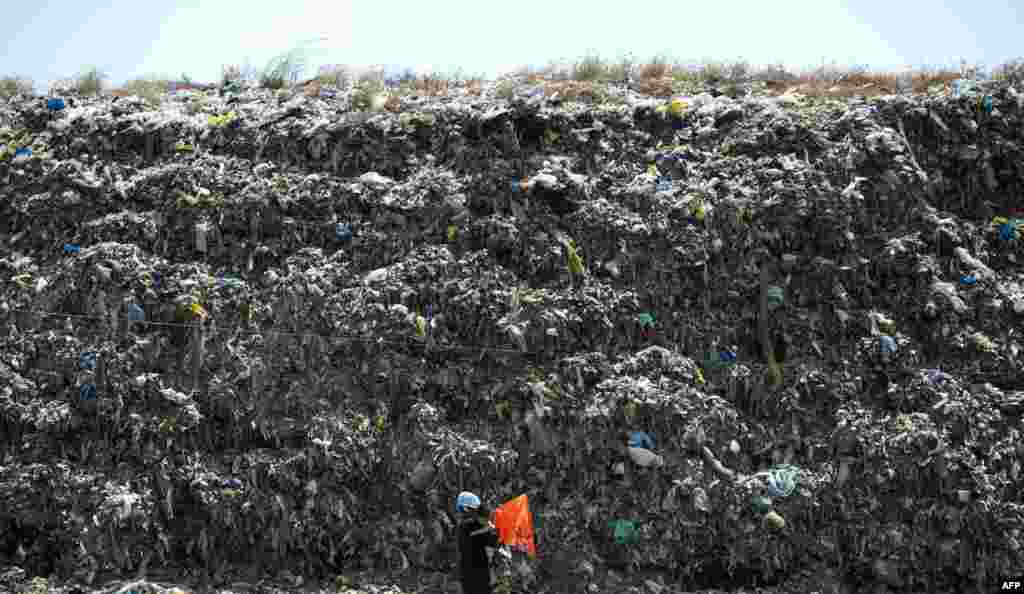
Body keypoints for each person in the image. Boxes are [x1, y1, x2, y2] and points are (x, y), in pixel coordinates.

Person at [456, 492, 499, 594]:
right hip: (478, 578)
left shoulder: (463, 527)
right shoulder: (470, 527)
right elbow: (494, 541)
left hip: (468, 577)